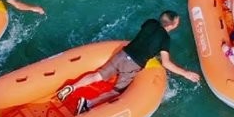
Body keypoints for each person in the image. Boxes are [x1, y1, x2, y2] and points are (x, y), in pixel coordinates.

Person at [58, 11, 200, 105]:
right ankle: (87, 104)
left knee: (98, 75)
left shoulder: (150, 23)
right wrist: (185, 73)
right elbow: (166, 63)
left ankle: (72, 87)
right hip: (133, 65)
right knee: (118, 91)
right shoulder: (166, 39)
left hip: (123, 54)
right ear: (173, 25)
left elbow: (147, 35)